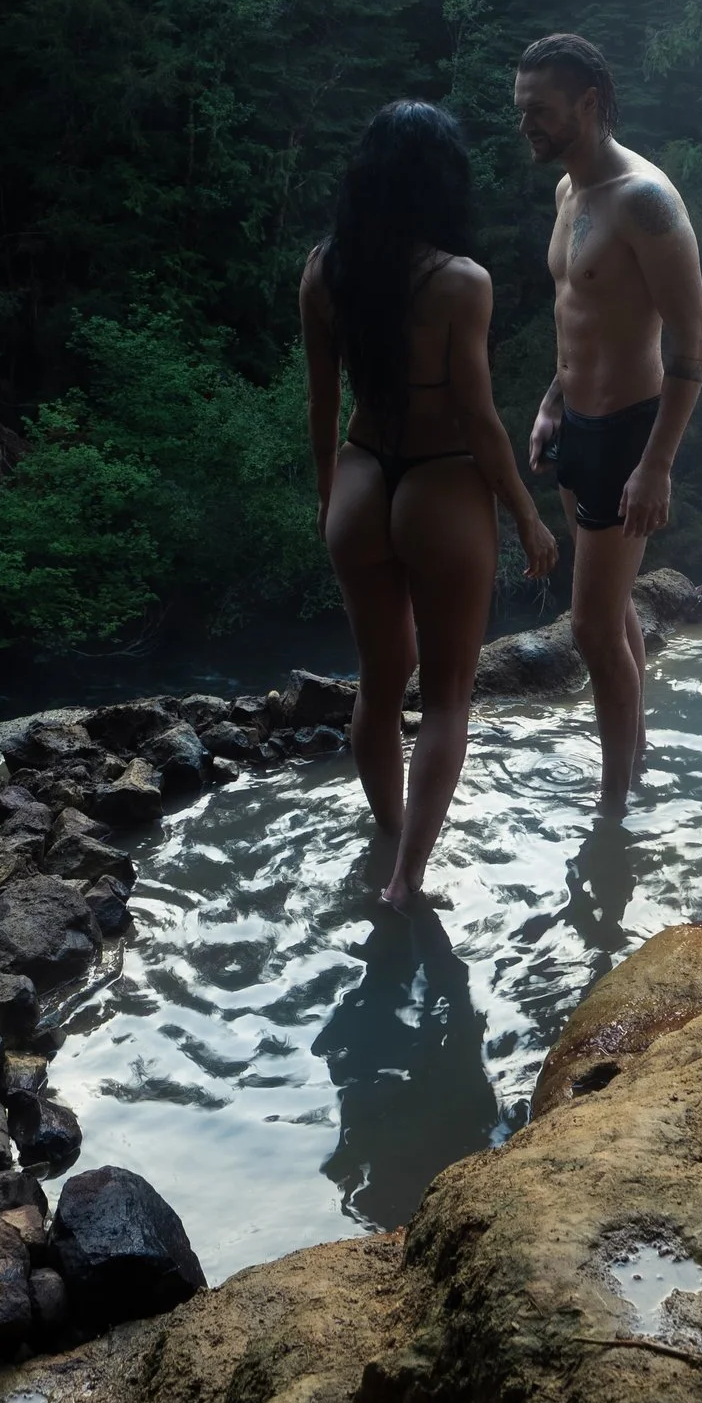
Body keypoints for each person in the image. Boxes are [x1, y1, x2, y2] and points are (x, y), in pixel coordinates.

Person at [301, 102, 558, 907]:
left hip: (360, 477)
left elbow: (319, 404)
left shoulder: (323, 269)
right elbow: (479, 419)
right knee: (446, 696)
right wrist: (524, 510)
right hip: (440, 482)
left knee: (379, 686)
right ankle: (408, 881)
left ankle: (389, 837)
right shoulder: (460, 283)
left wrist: (326, 499)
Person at [514, 31, 702, 816]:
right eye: (521, 110)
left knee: (592, 629)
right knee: (610, 610)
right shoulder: (569, 193)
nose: (527, 124)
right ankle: (633, 760)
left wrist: (657, 464)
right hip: (577, 426)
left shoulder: (644, 199)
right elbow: (581, 316)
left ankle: (613, 809)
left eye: (543, 111)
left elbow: (693, 338)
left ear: (589, 106)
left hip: (630, 432)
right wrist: (550, 403)